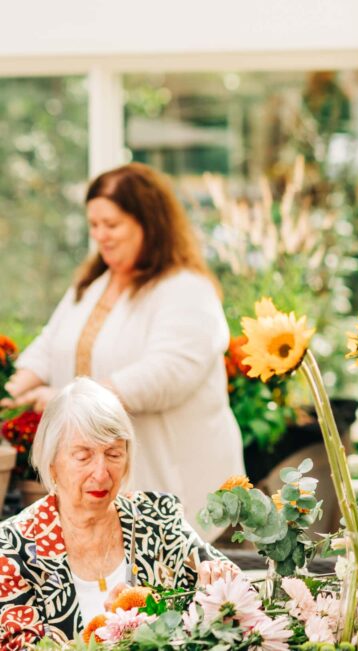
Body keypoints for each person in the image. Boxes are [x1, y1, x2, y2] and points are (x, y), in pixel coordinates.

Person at [2, 163, 244, 531]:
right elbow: (50, 345)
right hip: (107, 490)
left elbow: (166, 374)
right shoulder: (94, 283)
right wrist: (9, 389)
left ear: (150, 223)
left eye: (111, 225)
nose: (101, 236)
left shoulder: (187, 289)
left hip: (174, 485)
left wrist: (68, 399)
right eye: (94, 225)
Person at [0, 378, 240, 648]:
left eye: (114, 454)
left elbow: (239, 592)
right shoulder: (13, 547)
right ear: (52, 462)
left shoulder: (157, 517)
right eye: (83, 457)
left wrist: (219, 584)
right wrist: (116, 635)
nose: (102, 473)